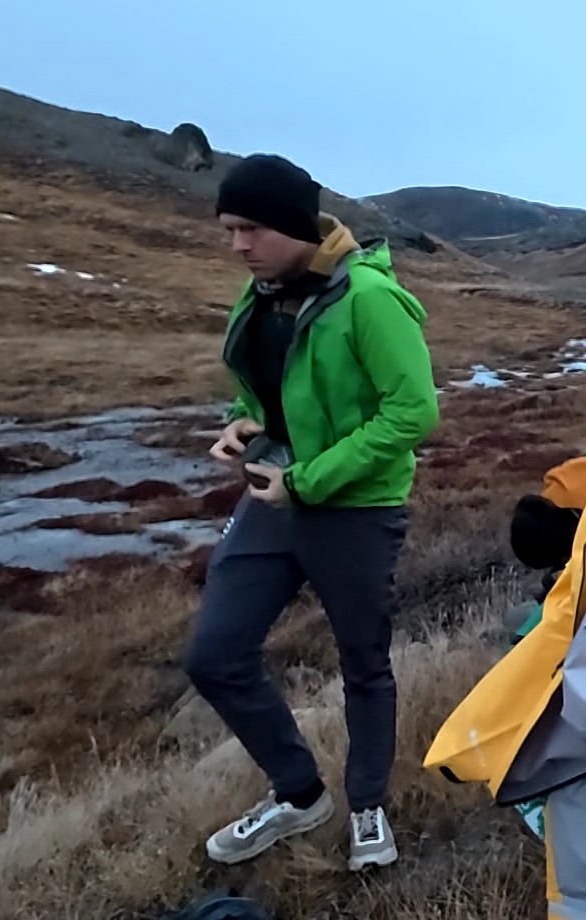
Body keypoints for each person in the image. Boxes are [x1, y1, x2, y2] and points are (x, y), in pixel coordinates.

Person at [186, 154, 438, 872]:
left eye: (251, 229)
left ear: (295, 225)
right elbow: (268, 387)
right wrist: (244, 423)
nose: (238, 245)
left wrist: (309, 481)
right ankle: (299, 795)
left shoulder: (368, 297)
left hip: (354, 509)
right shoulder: (261, 293)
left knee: (363, 664)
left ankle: (367, 807)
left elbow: (413, 412)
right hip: (275, 500)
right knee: (214, 655)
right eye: (229, 230)